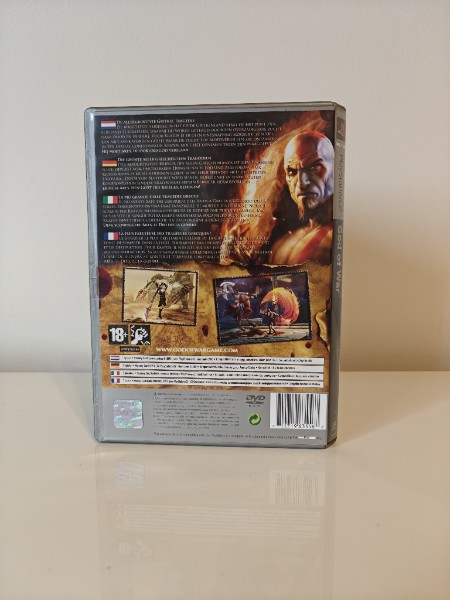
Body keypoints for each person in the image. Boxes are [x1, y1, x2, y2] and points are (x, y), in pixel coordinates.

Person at [221, 131, 334, 265]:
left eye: (315, 167)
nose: (301, 183)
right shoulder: (283, 241)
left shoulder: (335, 239)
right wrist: (233, 262)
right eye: (292, 171)